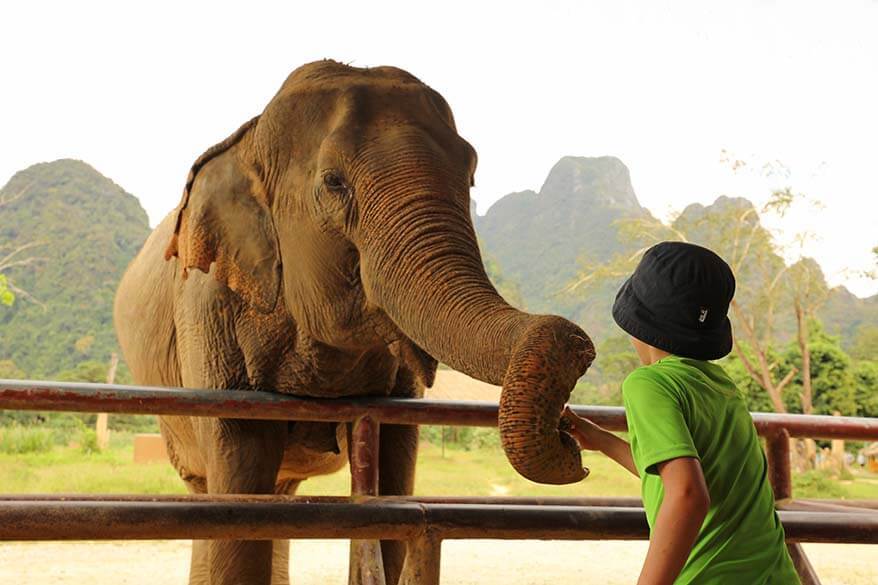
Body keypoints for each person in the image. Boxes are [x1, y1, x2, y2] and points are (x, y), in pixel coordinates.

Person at [563, 241, 800, 584]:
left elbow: (688, 494)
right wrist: (600, 439)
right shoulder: (720, 385)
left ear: (634, 320)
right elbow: (680, 473)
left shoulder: (648, 384)